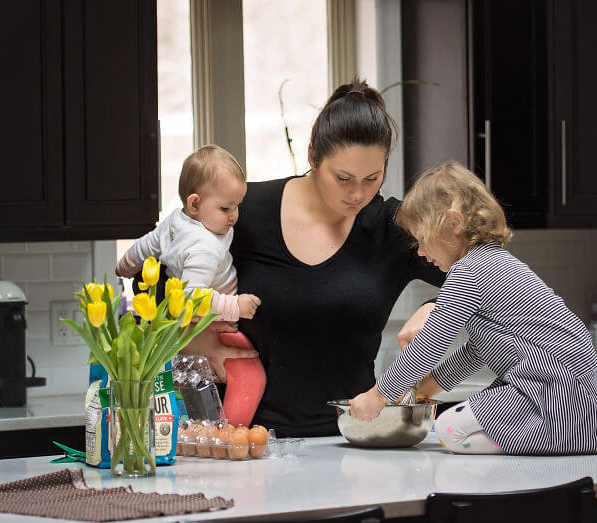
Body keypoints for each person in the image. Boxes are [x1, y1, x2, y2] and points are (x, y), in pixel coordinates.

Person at [178, 77, 445, 437]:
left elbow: (493, 279)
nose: (358, 194)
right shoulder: (245, 212)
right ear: (313, 157)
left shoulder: (392, 227)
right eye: (344, 178)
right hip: (244, 445)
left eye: (372, 178)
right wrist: (198, 342)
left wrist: (437, 307)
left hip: (355, 442)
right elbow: (163, 284)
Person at [349, 161, 597, 456]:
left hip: (552, 386)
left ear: (453, 223)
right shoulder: (492, 263)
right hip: (566, 385)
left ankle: (581, 438)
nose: (420, 252)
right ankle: (585, 433)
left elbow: (430, 345)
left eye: (421, 239)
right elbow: (477, 351)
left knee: (450, 429)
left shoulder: (468, 272)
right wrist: (428, 387)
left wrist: (379, 394)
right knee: (468, 423)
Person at [116, 144, 265, 426]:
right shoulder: (204, 245)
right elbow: (192, 297)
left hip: (186, 321)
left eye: (237, 206)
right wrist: (236, 305)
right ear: (195, 204)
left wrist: (126, 264)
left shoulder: (175, 220)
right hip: (214, 320)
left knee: (193, 377)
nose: (234, 216)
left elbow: (148, 245)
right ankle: (228, 433)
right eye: (225, 208)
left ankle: (195, 428)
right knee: (250, 375)